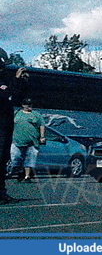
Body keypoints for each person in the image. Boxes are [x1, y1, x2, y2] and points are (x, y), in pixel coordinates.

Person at [0, 48, 28, 204]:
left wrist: (22, 82)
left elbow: (15, 98)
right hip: (1, 126)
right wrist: (16, 81)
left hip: (5, 125)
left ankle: (2, 192)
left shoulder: (5, 80)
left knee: (3, 159)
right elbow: (6, 96)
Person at [9, 98, 46, 182]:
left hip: (32, 141)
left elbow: (42, 125)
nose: (30, 106)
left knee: (29, 159)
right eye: (28, 105)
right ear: (23, 105)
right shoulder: (17, 114)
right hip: (16, 140)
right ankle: (19, 170)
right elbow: (10, 125)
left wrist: (42, 136)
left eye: (31, 104)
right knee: (15, 157)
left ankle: (27, 176)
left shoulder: (36, 114)